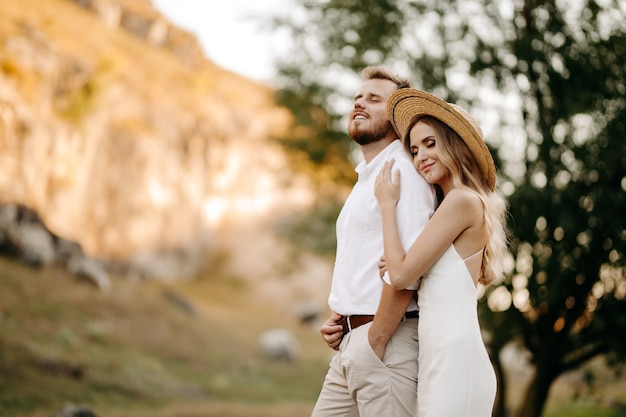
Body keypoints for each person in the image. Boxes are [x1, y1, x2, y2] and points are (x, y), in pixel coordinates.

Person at [375, 88, 508, 417]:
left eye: (431, 144)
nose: (420, 157)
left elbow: (401, 275)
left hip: (455, 361)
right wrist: (399, 263)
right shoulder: (448, 209)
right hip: (439, 359)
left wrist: (387, 205)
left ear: (455, 145)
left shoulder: (461, 201)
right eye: (415, 150)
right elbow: (406, 272)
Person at [312, 68, 436, 417]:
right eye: (356, 99)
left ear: (397, 117)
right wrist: (345, 317)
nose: (359, 104)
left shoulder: (404, 173)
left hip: (385, 345)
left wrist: (375, 339)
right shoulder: (366, 179)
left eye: (373, 99)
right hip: (353, 345)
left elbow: (408, 269)